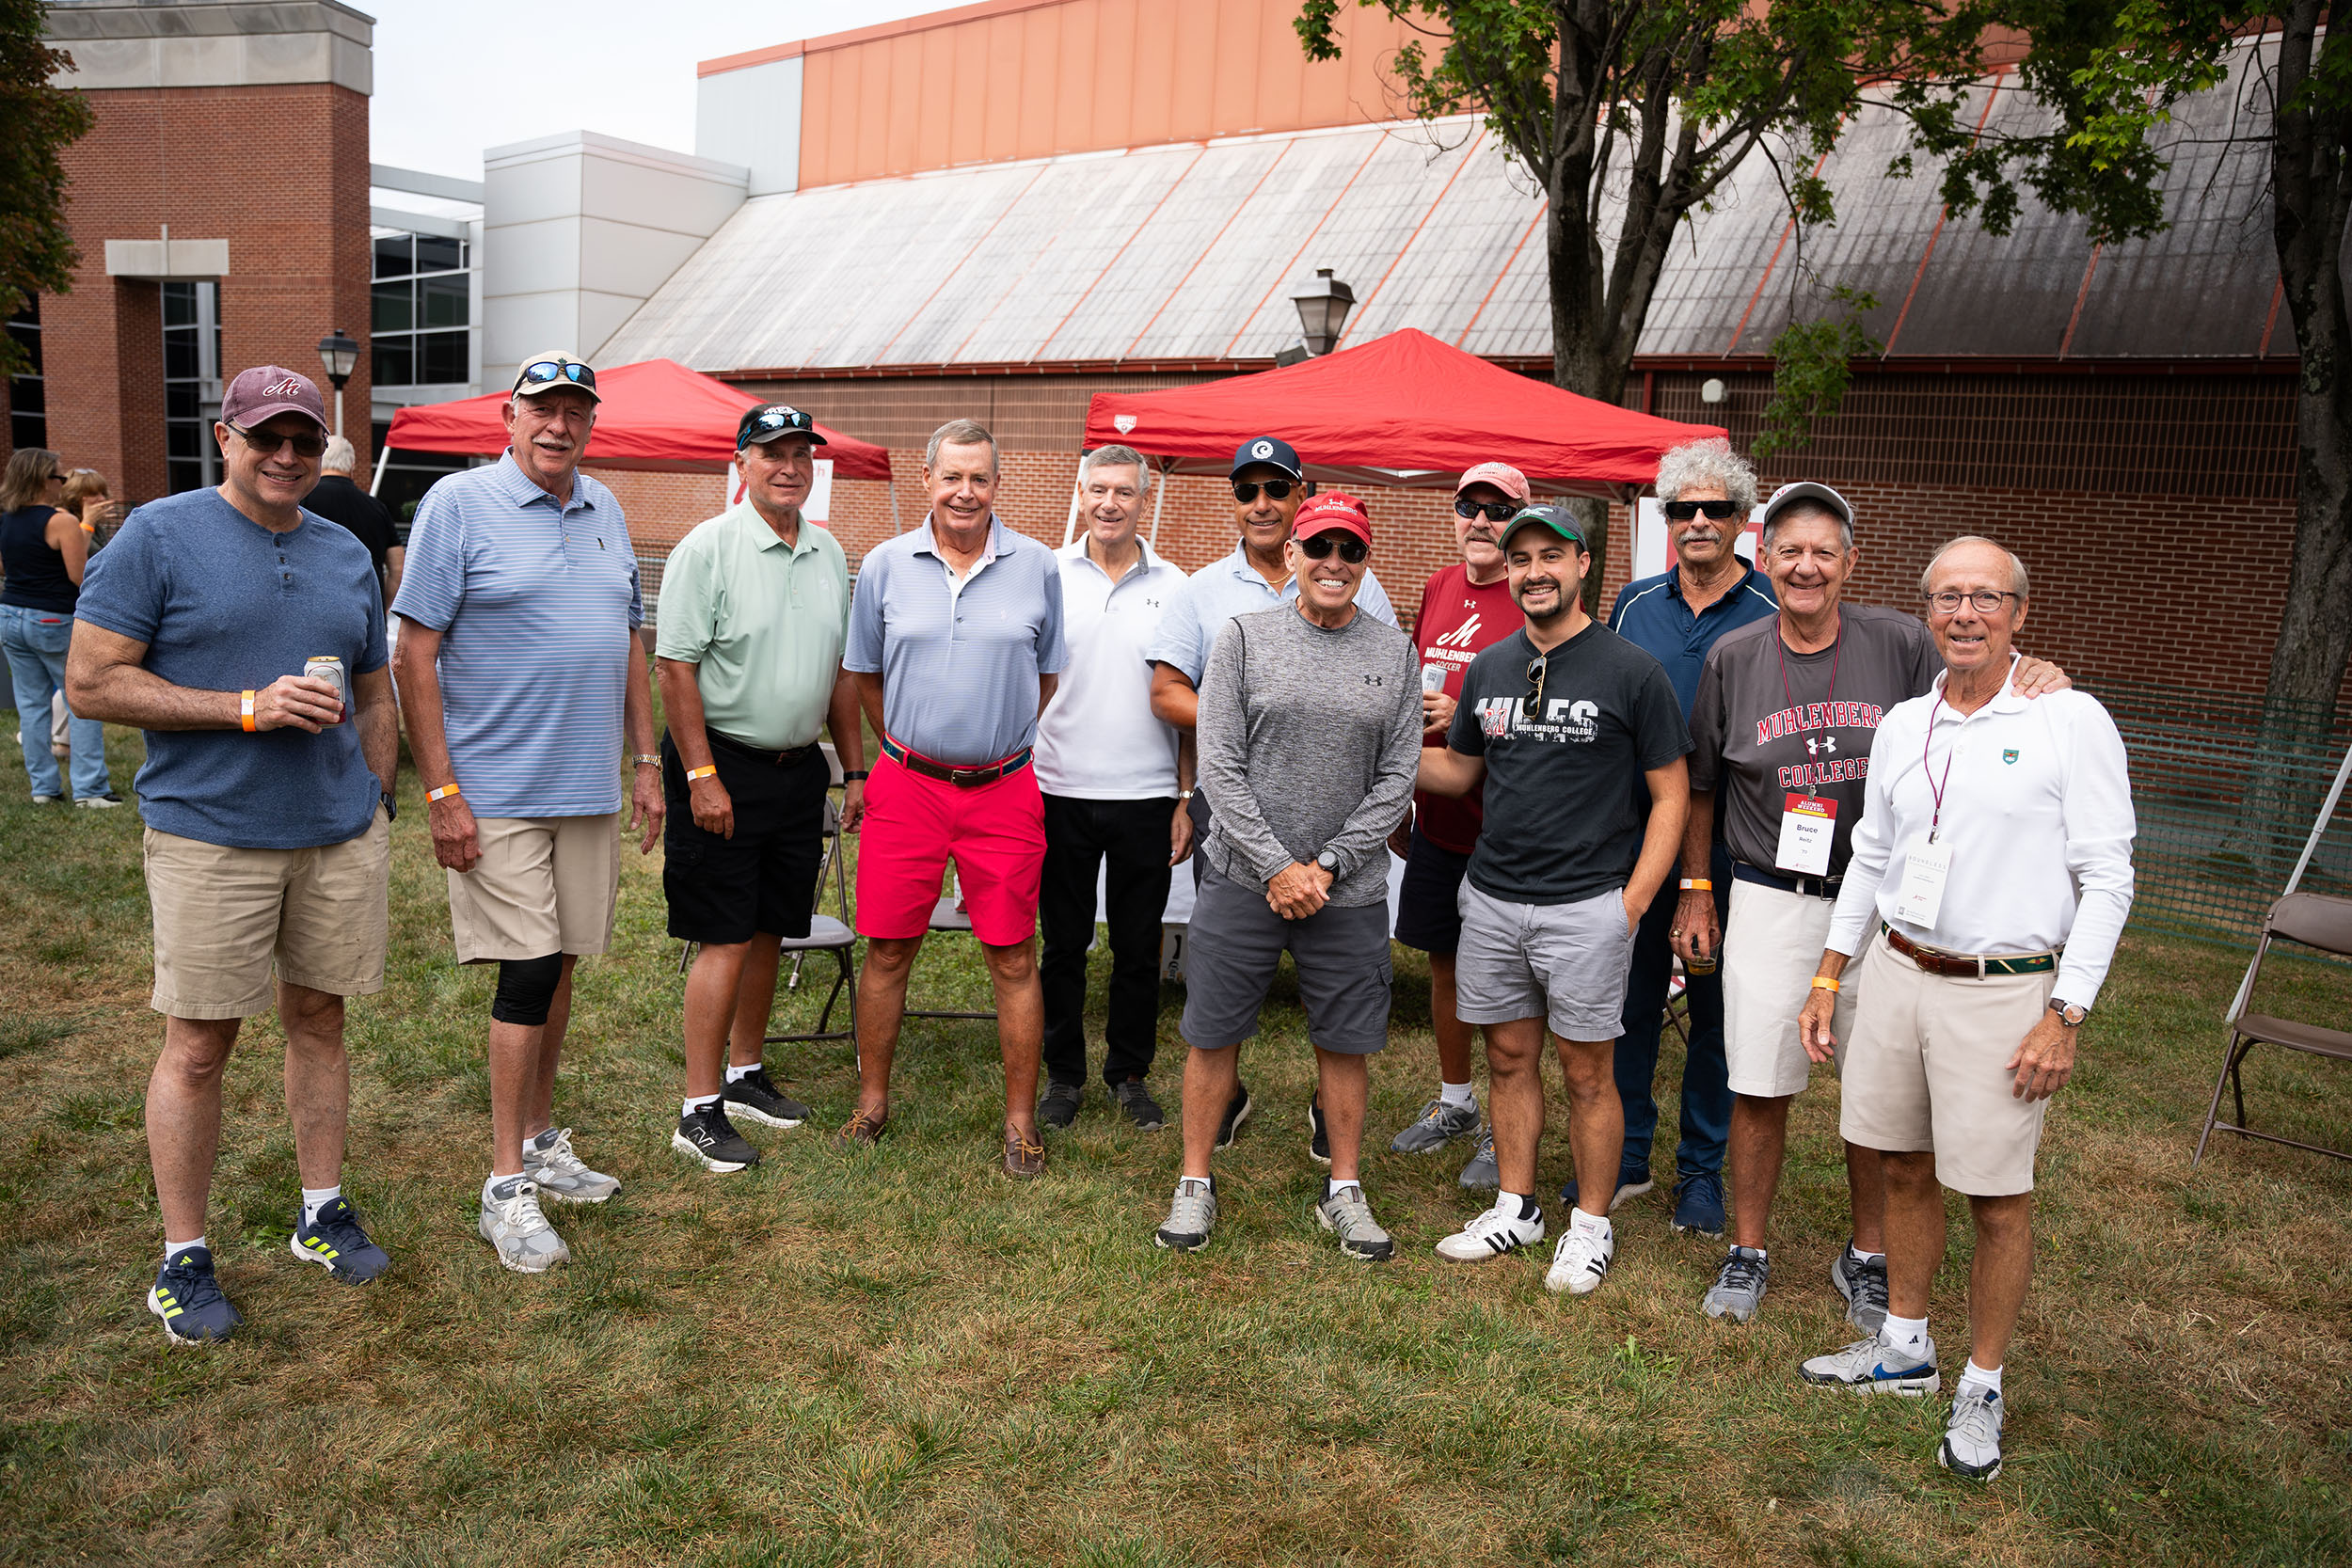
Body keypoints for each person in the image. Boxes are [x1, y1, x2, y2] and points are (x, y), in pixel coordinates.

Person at [1676, 483, 2073, 1329]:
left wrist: (2036, 671)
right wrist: (1698, 887)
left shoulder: (1899, 640)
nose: (1806, 566)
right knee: (1758, 1082)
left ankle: (1867, 1254)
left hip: (1887, 906)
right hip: (1770, 894)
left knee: (1876, 1099)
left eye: (1825, 550)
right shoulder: (1735, 657)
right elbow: (1702, 785)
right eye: (1789, 550)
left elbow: (1981, 687)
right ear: (1765, 560)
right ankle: (1747, 1251)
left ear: (1851, 562)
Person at [66, 366, 398, 1342]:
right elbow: (91, 683)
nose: (288, 456)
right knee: (201, 1045)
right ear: (226, 438)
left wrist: (376, 795)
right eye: (268, 438)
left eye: (303, 440)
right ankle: (184, 1257)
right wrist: (241, 708)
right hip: (210, 834)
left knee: (320, 1019)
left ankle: (320, 1210)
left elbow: (376, 690)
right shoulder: (158, 536)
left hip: (336, 834)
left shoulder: (342, 549)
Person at [1795, 537, 2134, 1485]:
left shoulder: (2070, 719)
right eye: (1946, 597)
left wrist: (2064, 1011)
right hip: (1899, 968)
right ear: (1925, 611)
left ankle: (1981, 1380)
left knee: (1995, 1193)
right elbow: (1870, 854)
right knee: (1899, 1164)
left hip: (2005, 985)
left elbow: (2107, 874)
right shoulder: (1905, 722)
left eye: (1985, 597)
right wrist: (1830, 972)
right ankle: (1904, 1347)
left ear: (2019, 613)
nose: (1965, 614)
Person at [390, 351, 663, 1273]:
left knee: (563, 965)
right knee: (528, 967)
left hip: (584, 786)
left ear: (590, 423)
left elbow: (628, 637)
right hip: (494, 787)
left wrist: (646, 758)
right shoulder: (456, 506)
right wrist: (439, 790)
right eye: (541, 409)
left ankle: (543, 1140)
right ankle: (504, 1185)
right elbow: (414, 652)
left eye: (574, 411)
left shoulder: (607, 509)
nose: (558, 425)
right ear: (508, 418)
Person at [1419, 504, 1690, 1296]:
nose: (1534, 570)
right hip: (1495, 898)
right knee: (1507, 1058)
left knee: (1587, 1073)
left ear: (1581, 567)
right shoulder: (1494, 666)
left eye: (1551, 555)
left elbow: (1671, 796)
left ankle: (1591, 1225)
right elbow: (1460, 772)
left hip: (1588, 905)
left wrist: (1632, 903)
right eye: (1521, 558)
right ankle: (1517, 1205)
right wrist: (1384, 749)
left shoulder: (1630, 670)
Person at [1153, 492, 1420, 1260]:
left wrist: (1327, 865)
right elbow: (1221, 768)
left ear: (1365, 563)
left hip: (1350, 887)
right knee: (1212, 1034)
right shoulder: (1242, 637)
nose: (1334, 563)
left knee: (1345, 1041)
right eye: (1321, 548)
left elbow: (1398, 775)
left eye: (1351, 551)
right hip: (1244, 877)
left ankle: (1343, 1188)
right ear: (1294, 556)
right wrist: (1277, 865)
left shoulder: (1392, 651)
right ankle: (1195, 1181)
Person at [841, 419, 1067, 1177]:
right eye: (952, 476)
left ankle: (1020, 1122)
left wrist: (988, 737)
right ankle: (871, 1104)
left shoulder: (1037, 566)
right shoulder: (882, 565)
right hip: (906, 786)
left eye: (980, 478)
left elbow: (1045, 676)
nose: (964, 492)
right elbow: (865, 673)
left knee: (1012, 955)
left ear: (996, 486)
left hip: (1004, 787)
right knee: (887, 947)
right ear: (927, 478)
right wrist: (905, 742)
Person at [655, 404, 866, 1173]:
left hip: (797, 768)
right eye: (771, 453)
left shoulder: (827, 551)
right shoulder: (707, 548)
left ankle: (745, 1073)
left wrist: (853, 769)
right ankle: (698, 1106)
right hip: (724, 765)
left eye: (800, 454)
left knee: (774, 927)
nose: (788, 466)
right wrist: (701, 774)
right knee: (725, 935)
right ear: (740, 462)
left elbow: (840, 677)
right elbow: (674, 668)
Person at [1598, 439, 1778, 1235]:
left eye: (1715, 509)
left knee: (1716, 1009)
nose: (1698, 521)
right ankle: (1629, 1150)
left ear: (1743, 521)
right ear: (1666, 520)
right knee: (1629, 1001)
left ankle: (1700, 1171)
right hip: (1635, 839)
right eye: (1683, 509)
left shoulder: (1776, 608)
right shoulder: (1634, 605)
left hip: (1736, 847)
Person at [1032, 443, 1192, 1132]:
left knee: (1137, 947)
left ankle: (1129, 1074)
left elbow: (1188, 695)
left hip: (1148, 794)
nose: (1109, 503)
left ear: (1143, 499)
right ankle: (1063, 1076)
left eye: (1123, 491)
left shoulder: (1178, 585)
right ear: (1078, 493)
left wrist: (1187, 797)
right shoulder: (1044, 574)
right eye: (1097, 489)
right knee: (1063, 944)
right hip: (1056, 788)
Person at [1388, 461, 1530, 1184]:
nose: (1481, 520)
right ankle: (1456, 1101)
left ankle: (1506, 1128)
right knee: (1444, 962)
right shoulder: (1441, 585)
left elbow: (1547, 719)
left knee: (1501, 980)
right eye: (1468, 506)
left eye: (1498, 509)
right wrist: (1401, 801)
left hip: (1504, 828)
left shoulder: (1534, 595)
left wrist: (1470, 718)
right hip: (1438, 815)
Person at [2, 448, 118, 804]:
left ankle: (44, 790)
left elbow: (4, 569)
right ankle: (90, 790)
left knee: (31, 706)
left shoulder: (5, 517)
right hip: (54, 618)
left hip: (10, 614)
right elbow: (79, 576)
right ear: (42, 479)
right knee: (82, 702)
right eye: (59, 477)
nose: (63, 483)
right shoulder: (61, 521)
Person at [304, 436, 405, 609]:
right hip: (366, 614)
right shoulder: (377, 508)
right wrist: (381, 609)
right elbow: (398, 569)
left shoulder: (300, 502)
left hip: (314, 613)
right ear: (352, 466)